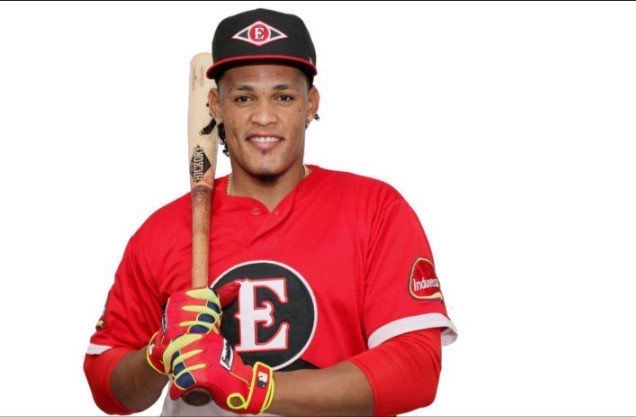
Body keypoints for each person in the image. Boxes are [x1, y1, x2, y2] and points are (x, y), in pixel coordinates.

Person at [83, 8, 457, 417]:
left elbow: (416, 369)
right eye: (244, 97)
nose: (264, 117)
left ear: (311, 103)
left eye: (284, 96)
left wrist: (255, 389)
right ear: (216, 105)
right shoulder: (163, 230)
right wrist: (157, 354)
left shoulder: (374, 209)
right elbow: (107, 385)